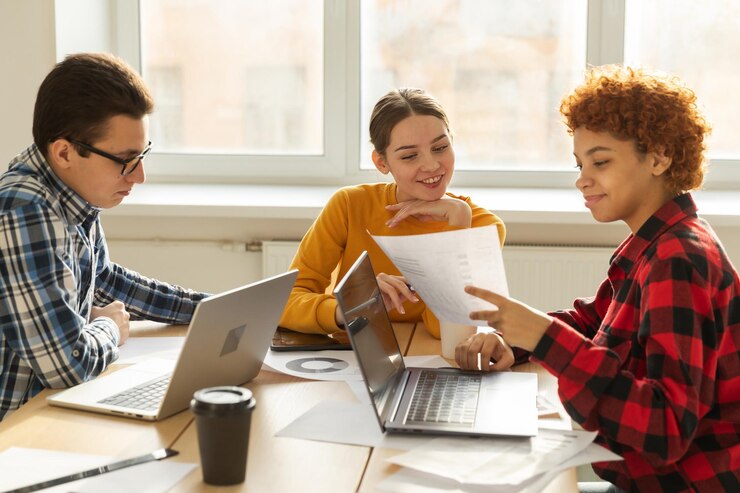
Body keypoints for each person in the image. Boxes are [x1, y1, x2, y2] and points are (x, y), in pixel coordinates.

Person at [456, 65, 740, 492]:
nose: (582, 179)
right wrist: (519, 339)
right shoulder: (654, 244)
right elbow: (595, 322)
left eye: (601, 161)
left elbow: (665, 429)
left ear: (659, 158)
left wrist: (546, 337)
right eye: (579, 163)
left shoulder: (678, 261)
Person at [0, 53, 209, 421]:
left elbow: (104, 281)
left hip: (48, 415)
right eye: (126, 159)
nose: (139, 175)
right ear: (64, 152)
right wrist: (110, 326)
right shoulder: (22, 209)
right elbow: (67, 365)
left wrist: (210, 309)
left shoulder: (71, 194)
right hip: (15, 435)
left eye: (143, 154)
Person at [279, 88, 506, 338]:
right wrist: (350, 309)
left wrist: (459, 222)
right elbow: (285, 303)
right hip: (352, 355)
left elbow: (447, 330)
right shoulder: (349, 206)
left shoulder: (483, 225)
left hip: (427, 359)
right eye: (409, 156)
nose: (431, 165)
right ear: (382, 163)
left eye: (440, 148)